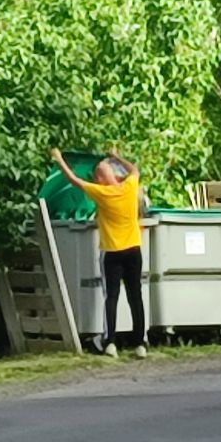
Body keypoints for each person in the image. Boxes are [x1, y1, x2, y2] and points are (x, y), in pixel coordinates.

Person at [51, 147, 147, 359]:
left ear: (100, 180)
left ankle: (110, 342)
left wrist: (59, 159)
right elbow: (135, 170)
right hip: (134, 250)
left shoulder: (102, 193)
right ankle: (140, 344)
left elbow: (73, 180)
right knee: (136, 296)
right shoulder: (130, 187)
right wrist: (117, 156)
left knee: (111, 297)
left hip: (112, 253)